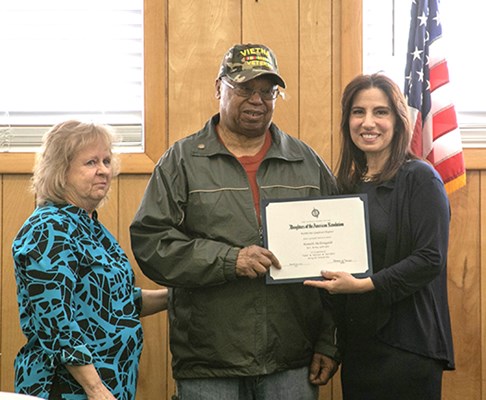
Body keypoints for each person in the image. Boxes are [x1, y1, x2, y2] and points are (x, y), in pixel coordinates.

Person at [130, 43, 339, 400]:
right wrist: (230, 260)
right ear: (218, 89)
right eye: (243, 88)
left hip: (291, 360)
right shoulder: (180, 161)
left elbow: (339, 255)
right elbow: (152, 244)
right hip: (209, 362)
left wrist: (329, 340)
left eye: (267, 91)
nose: (257, 100)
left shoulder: (306, 162)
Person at [304, 73, 455, 400]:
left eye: (380, 112)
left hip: (408, 346)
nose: (368, 122)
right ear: (347, 121)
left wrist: (363, 286)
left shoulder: (420, 178)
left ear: (398, 121)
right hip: (360, 346)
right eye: (358, 112)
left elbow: (430, 259)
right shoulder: (347, 187)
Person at [12, 120, 168, 400]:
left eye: (107, 161)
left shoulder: (89, 226)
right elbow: (56, 320)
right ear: (60, 170)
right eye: (91, 162)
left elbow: (114, 304)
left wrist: (174, 297)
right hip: (68, 388)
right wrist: (94, 388)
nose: (104, 170)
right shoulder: (48, 229)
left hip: (109, 385)